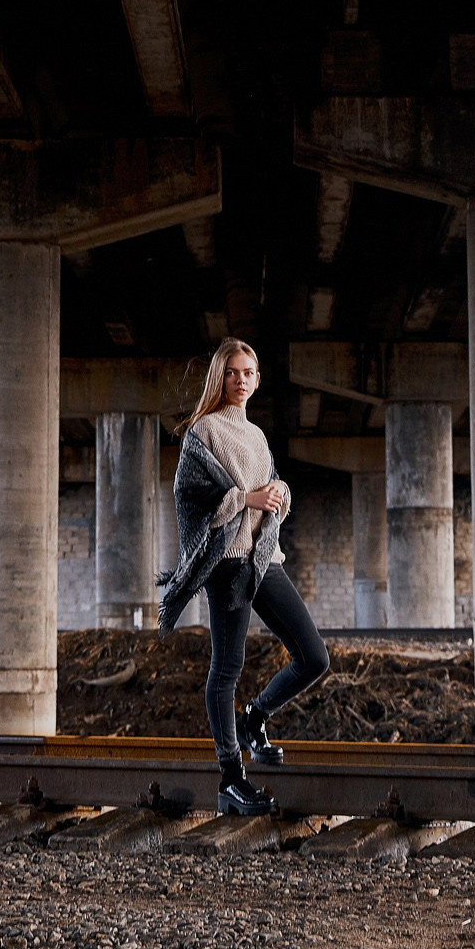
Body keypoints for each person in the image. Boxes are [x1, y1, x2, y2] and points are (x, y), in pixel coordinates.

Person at [157, 337, 331, 816]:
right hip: (226, 561)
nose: (241, 380)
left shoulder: (256, 435)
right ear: (220, 376)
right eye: (233, 372)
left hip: (262, 558)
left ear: (258, 380)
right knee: (226, 667)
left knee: (314, 657)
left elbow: (271, 488)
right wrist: (245, 499)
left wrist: (278, 492)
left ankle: (255, 718)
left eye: (249, 372)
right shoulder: (203, 432)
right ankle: (232, 780)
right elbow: (191, 499)